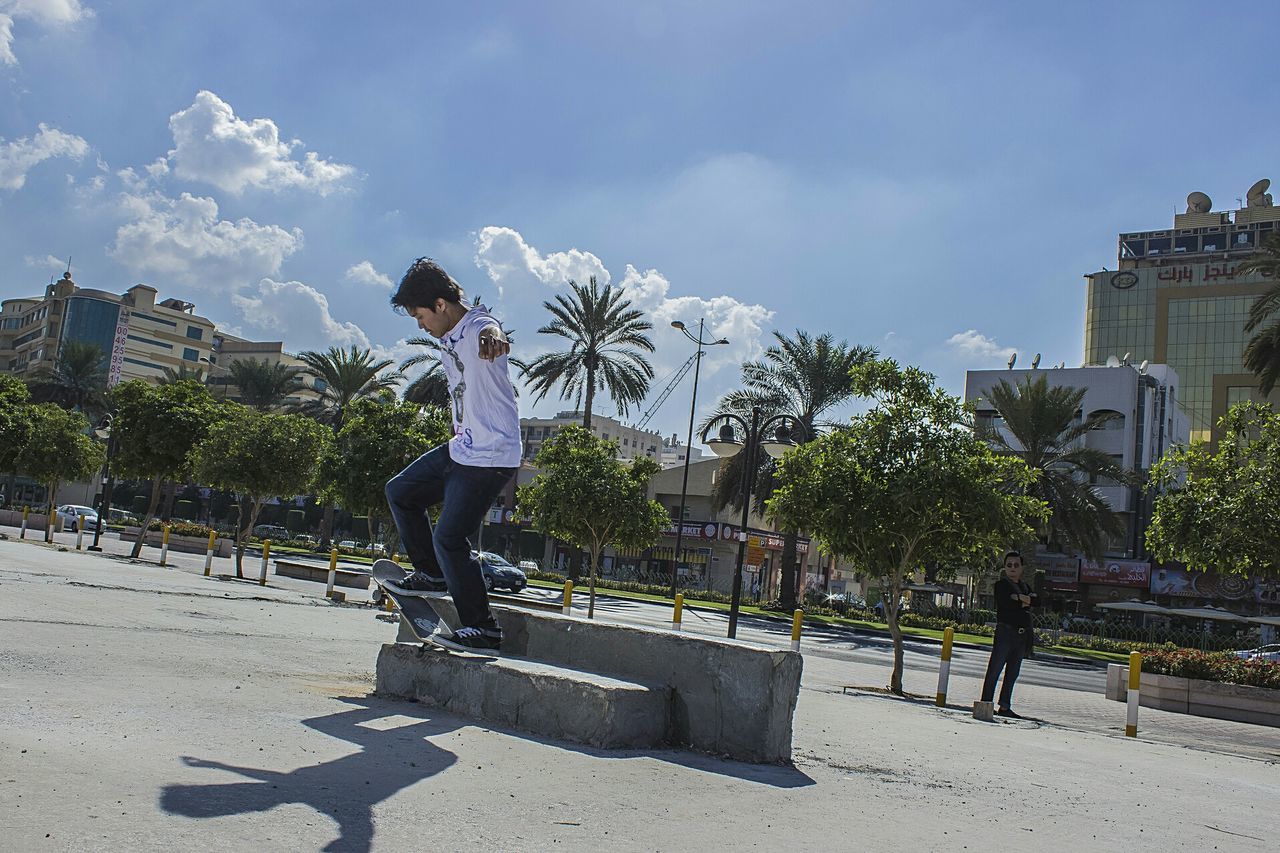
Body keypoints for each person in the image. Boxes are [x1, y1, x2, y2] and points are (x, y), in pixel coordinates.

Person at [382, 258, 520, 653]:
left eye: (421, 316)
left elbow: (490, 329)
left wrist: (495, 339)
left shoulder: (478, 327)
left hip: (491, 455)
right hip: (463, 448)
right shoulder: (450, 333)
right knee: (401, 492)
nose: (420, 325)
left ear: (441, 305)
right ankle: (429, 574)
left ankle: (483, 628)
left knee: (449, 537)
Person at [980, 550, 1037, 718]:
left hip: (1021, 635)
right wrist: (1026, 600)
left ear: (1022, 568)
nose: (1012, 568)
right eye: (1009, 565)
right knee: (995, 669)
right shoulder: (1001, 585)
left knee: (1013, 672)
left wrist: (1019, 597)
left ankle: (1005, 706)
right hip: (1005, 632)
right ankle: (986, 703)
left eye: (1016, 565)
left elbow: (1038, 601)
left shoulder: (1025, 586)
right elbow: (1006, 604)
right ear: (1005, 567)